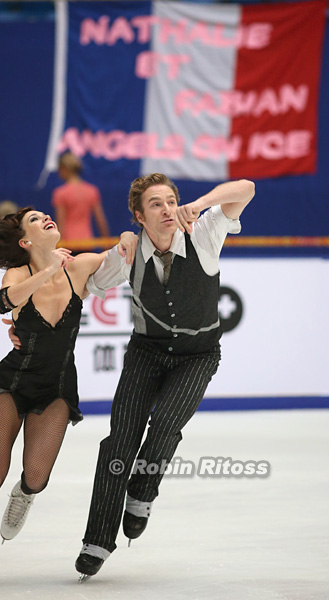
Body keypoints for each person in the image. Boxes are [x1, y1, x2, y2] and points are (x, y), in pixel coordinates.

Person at [0, 207, 138, 585]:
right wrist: (47, 271)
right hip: (13, 383)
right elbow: (3, 303)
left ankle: (24, 493)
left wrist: (126, 239)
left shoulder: (80, 266)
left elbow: (120, 255)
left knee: (36, 476)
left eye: (45, 216)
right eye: (36, 220)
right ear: (25, 241)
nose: (47, 219)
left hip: (56, 387)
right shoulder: (20, 274)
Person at [74, 173, 255, 579]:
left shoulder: (203, 231)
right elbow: (83, 285)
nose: (167, 208)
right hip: (146, 354)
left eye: (171, 200)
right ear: (138, 215)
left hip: (198, 355)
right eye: (155, 204)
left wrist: (202, 202)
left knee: (167, 423)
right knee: (119, 441)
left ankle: (142, 490)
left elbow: (246, 188)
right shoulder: (128, 252)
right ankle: (97, 541)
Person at [52, 153, 110, 244]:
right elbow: (100, 221)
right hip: (86, 241)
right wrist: (107, 244)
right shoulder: (91, 191)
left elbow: (61, 223)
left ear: (64, 169)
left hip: (68, 242)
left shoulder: (60, 193)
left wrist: (59, 245)